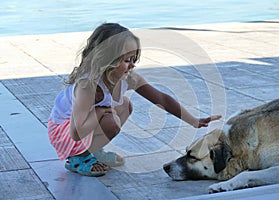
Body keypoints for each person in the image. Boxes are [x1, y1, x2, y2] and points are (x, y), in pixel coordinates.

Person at [48, 23, 222, 177]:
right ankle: (78, 158)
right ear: (108, 60)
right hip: (64, 133)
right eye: (127, 60)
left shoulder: (129, 78)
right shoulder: (88, 86)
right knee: (110, 120)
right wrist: (100, 111)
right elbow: (76, 133)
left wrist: (193, 120)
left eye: (134, 59)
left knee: (125, 105)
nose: (132, 65)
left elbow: (161, 98)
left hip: (84, 126)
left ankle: (93, 150)